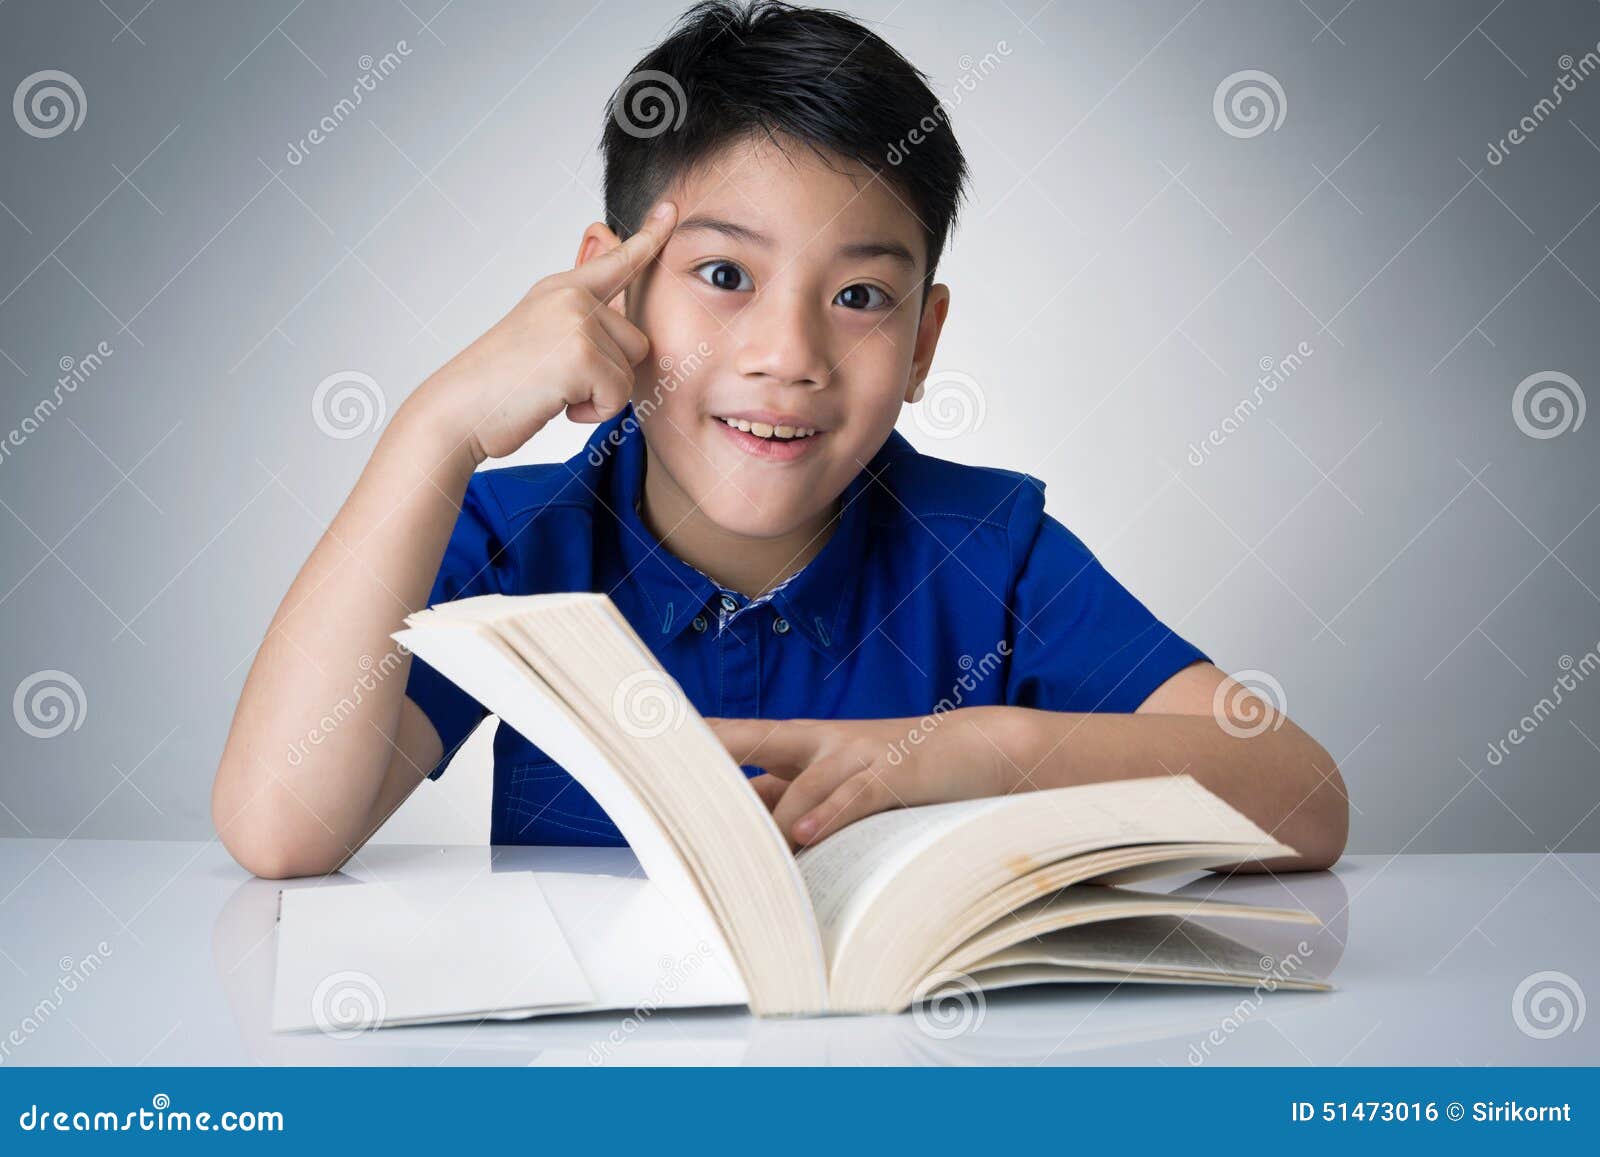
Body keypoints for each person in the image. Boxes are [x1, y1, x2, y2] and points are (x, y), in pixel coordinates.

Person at [213, 1, 1348, 879]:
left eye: (859, 297)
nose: (788, 352)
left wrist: (988, 754)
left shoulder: (990, 552)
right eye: (722, 277)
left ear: (921, 341)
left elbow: (1303, 798)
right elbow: (281, 827)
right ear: (612, 291)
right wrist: (437, 425)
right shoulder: (518, 546)